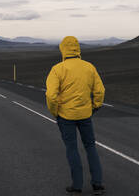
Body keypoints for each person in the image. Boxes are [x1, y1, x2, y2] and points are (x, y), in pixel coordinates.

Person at [46, 36, 106, 195]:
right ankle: (98, 184)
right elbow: (100, 91)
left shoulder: (57, 69)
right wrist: (95, 106)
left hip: (66, 117)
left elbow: (51, 96)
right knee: (91, 146)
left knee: (72, 149)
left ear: (63, 49)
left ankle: (77, 186)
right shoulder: (89, 67)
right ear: (77, 49)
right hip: (86, 115)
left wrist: (55, 112)